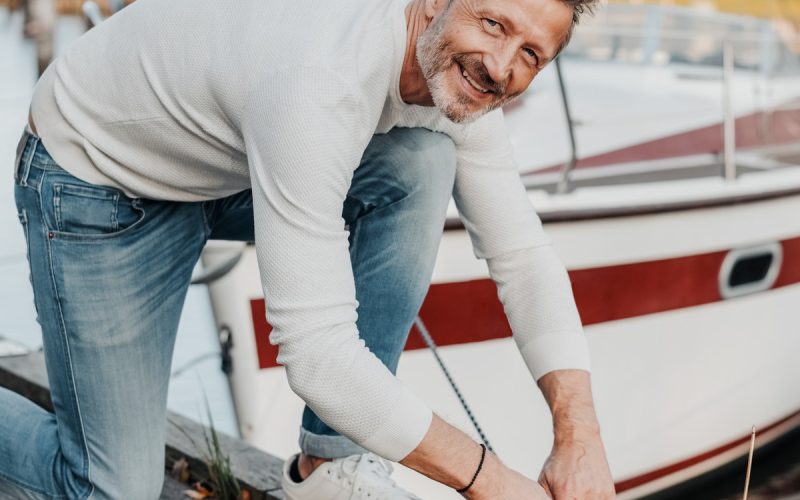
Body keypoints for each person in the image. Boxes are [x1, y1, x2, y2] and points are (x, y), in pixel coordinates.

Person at [2, 0, 615, 498]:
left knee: (424, 162)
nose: (501, 65)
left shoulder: (459, 83)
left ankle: (330, 468)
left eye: (531, 54)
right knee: (109, 491)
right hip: (98, 176)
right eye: (492, 24)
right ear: (434, 5)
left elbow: (523, 257)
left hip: (226, 160)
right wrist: (491, 481)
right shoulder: (322, 76)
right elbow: (318, 358)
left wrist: (579, 436)